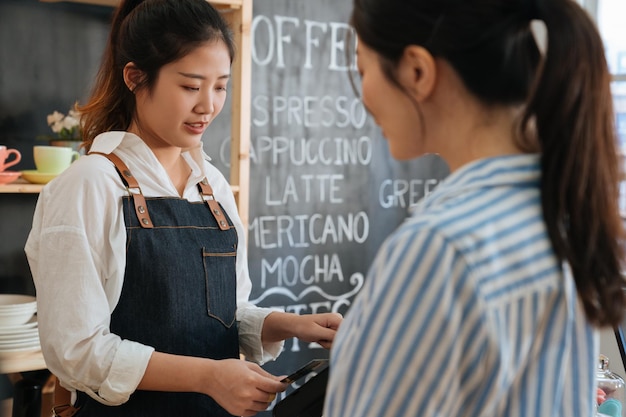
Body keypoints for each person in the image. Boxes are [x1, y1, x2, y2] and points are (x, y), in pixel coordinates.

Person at [25, 1, 342, 416]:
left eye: (221, 86)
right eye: (191, 86)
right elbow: (77, 351)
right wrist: (208, 377)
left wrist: (286, 324)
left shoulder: (213, 188)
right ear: (136, 78)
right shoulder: (88, 186)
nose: (208, 105)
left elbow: (223, 315)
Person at [324, 0, 626, 416]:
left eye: (362, 70)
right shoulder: (561, 214)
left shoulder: (439, 249)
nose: (364, 95)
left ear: (417, 71)